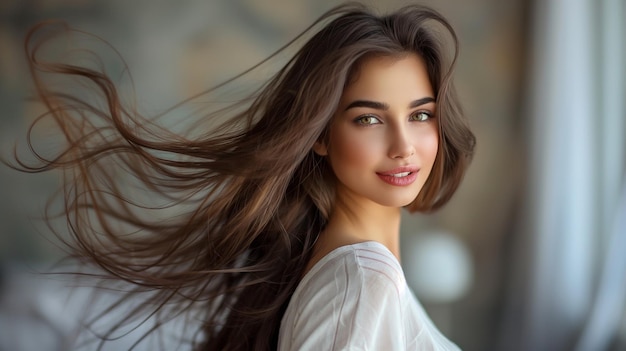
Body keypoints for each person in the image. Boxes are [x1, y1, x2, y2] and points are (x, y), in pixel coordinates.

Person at [8, 2, 475, 350]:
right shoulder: (360, 282)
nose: (402, 146)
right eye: (368, 119)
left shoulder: (345, 270)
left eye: (420, 115)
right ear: (320, 135)